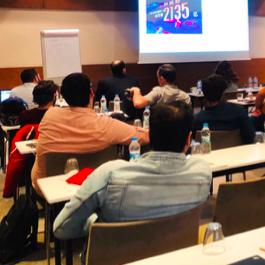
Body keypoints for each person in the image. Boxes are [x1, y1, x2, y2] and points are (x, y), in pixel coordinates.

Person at [54, 101, 211, 241]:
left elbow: (61, 228)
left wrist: (95, 225)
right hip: (176, 256)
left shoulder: (109, 175)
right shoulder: (202, 173)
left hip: (116, 258)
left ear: (149, 134)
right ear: (189, 139)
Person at [31, 73, 149, 194]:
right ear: (91, 93)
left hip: (48, 188)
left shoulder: (49, 116)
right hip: (97, 189)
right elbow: (145, 137)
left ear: (63, 96)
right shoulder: (106, 125)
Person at [3, 81, 58, 198]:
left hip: (31, 160)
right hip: (56, 159)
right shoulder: (59, 115)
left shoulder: (24, 115)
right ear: (55, 96)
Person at [193, 75, 255, 144]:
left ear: (204, 95)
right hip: (235, 150)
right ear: (223, 93)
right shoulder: (238, 111)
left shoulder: (196, 120)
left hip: (208, 151)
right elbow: (251, 137)